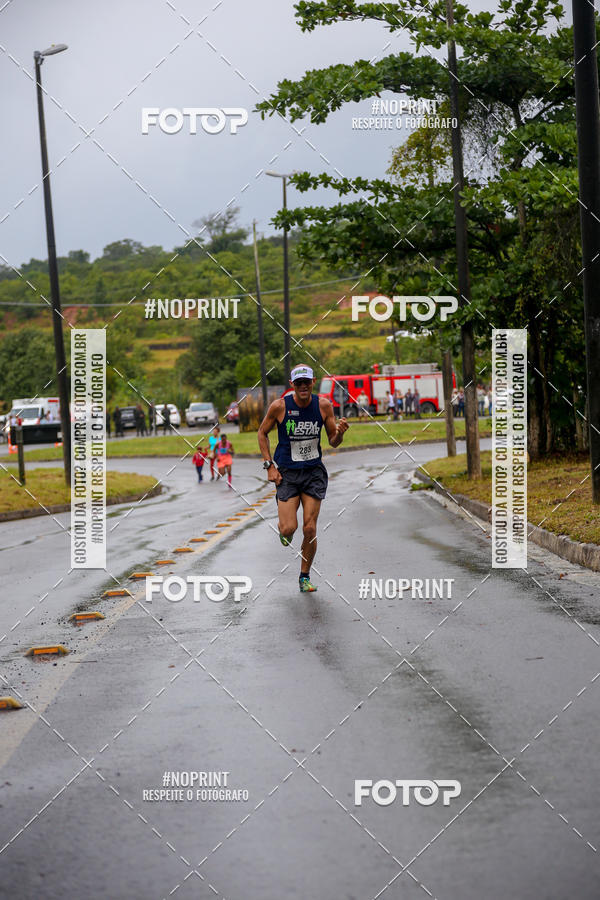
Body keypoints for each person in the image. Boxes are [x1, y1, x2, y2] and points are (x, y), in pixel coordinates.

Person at [257, 364, 349, 593]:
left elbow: (332, 441)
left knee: (309, 528)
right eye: (299, 383)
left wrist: (340, 433)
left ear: (313, 382)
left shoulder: (323, 405)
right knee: (289, 528)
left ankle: (304, 576)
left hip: (313, 473)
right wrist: (269, 465)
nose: (303, 386)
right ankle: (284, 530)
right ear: (292, 385)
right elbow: (262, 433)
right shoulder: (279, 407)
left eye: (306, 382)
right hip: (287, 474)